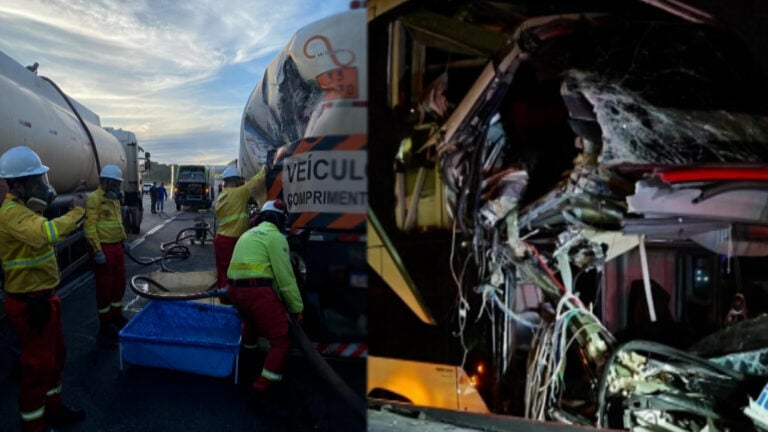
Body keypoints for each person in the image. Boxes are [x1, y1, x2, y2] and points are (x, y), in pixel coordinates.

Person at [0, 146, 87, 432]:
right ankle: (33, 425)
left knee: (55, 358)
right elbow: (45, 233)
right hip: (28, 304)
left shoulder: (25, 209)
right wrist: (76, 212)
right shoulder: (11, 213)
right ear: (19, 185)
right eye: (37, 182)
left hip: (44, 298)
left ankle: (54, 407)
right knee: (37, 367)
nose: (43, 187)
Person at [226, 199, 303, 401]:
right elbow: (285, 278)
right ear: (280, 220)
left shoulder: (248, 234)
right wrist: (296, 308)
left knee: (250, 326)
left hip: (234, 290)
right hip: (256, 293)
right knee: (281, 340)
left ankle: (247, 363)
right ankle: (262, 387)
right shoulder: (275, 237)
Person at [84, 164, 129, 349]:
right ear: (106, 181)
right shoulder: (94, 199)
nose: (117, 188)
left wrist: (123, 240)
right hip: (104, 249)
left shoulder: (114, 199)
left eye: (119, 184)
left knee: (120, 283)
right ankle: (105, 323)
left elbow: (118, 222)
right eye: (115, 183)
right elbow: (90, 227)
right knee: (105, 286)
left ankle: (116, 315)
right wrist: (97, 250)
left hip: (117, 247)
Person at [213, 166, 266, 290]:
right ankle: (231, 297)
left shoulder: (222, 196)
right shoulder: (239, 193)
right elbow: (255, 182)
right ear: (236, 181)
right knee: (235, 271)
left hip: (221, 238)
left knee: (222, 271)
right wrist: (265, 169)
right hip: (233, 239)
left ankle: (222, 297)